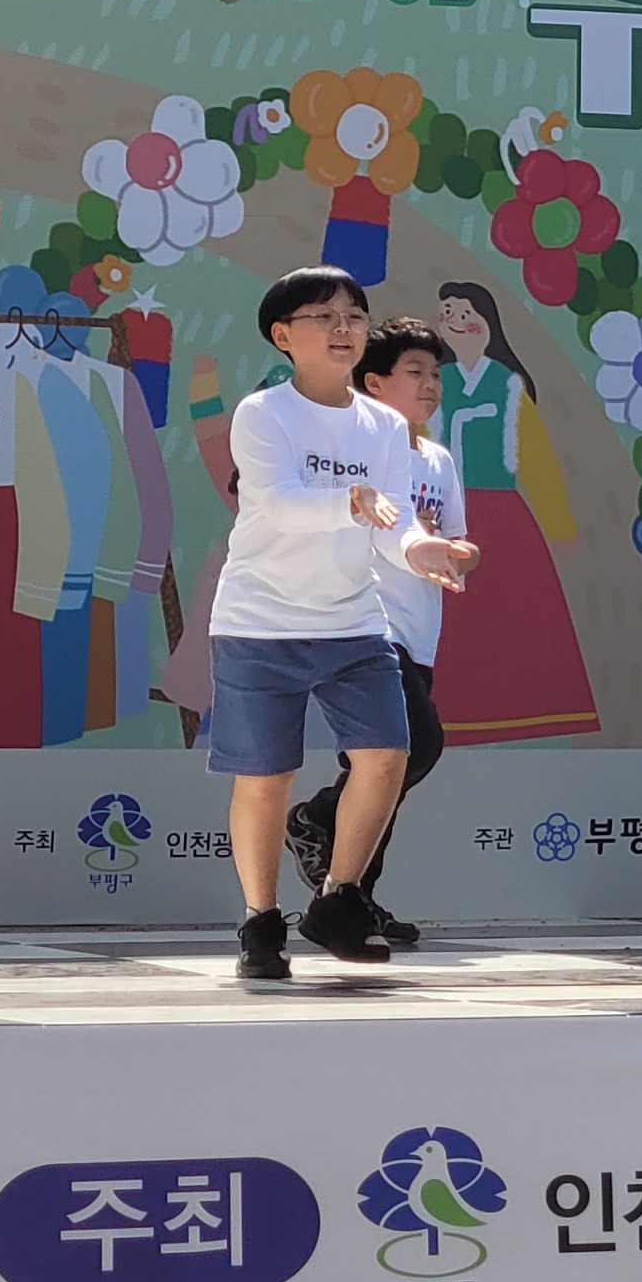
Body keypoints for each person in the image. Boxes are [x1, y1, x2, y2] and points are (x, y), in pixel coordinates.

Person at [211, 267, 466, 981]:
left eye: (354, 315)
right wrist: (348, 502)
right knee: (267, 777)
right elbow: (278, 503)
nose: (344, 328)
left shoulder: (383, 424)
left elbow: (394, 522)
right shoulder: (263, 414)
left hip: (353, 620)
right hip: (260, 620)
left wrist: (422, 550)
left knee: (388, 755)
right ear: (283, 336)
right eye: (323, 316)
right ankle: (261, 920)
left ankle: (339, 898)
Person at [286, 317, 479, 947]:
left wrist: (456, 552)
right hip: (366, 625)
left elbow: (459, 541)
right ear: (373, 383)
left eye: (436, 374)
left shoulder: (438, 459)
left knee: (386, 770)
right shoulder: (356, 449)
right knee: (412, 749)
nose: (430, 385)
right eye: (414, 373)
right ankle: (319, 821)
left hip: (420, 632)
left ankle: (351, 898)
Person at [427, 281, 600, 743]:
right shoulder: (434, 383)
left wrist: (560, 528)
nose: (456, 319)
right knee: (446, 622)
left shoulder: (507, 386)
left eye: (466, 311)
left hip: (500, 517)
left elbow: (537, 461)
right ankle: (443, 713)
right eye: (448, 311)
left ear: (489, 323)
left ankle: (520, 711)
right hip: (439, 517)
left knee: (509, 615)